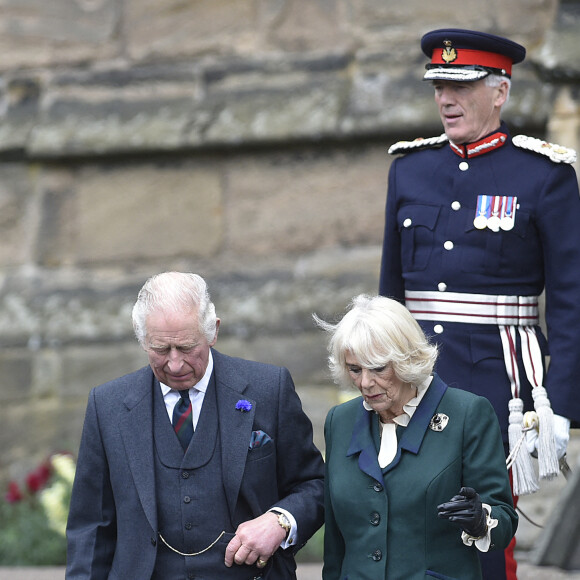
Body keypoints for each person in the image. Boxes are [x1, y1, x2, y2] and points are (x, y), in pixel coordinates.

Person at [379, 28, 580, 579]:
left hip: (499, 383)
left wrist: (559, 401)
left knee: (484, 526)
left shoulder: (545, 176)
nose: (446, 98)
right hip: (414, 380)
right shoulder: (409, 169)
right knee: (404, 519)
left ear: (501, 92)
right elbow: (389, 293)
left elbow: (570, 298)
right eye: (439, 85)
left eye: (461, 86)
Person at [66, 271, 324, 579]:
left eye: (187, 347)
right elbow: (91, 529)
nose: (174, 364)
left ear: (213, 331)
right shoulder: (107, 405)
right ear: (142, 338)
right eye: (160, 349)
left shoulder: (269, 389)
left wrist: (280, 521)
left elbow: (314, 486)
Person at [315, 294, 517, 580]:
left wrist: (481, 521)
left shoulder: (467, 413)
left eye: (378, 368)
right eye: (355, 369)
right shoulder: (340, 421)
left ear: (407, 358)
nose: (365, 383)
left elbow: (505, 519)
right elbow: (335, 542)